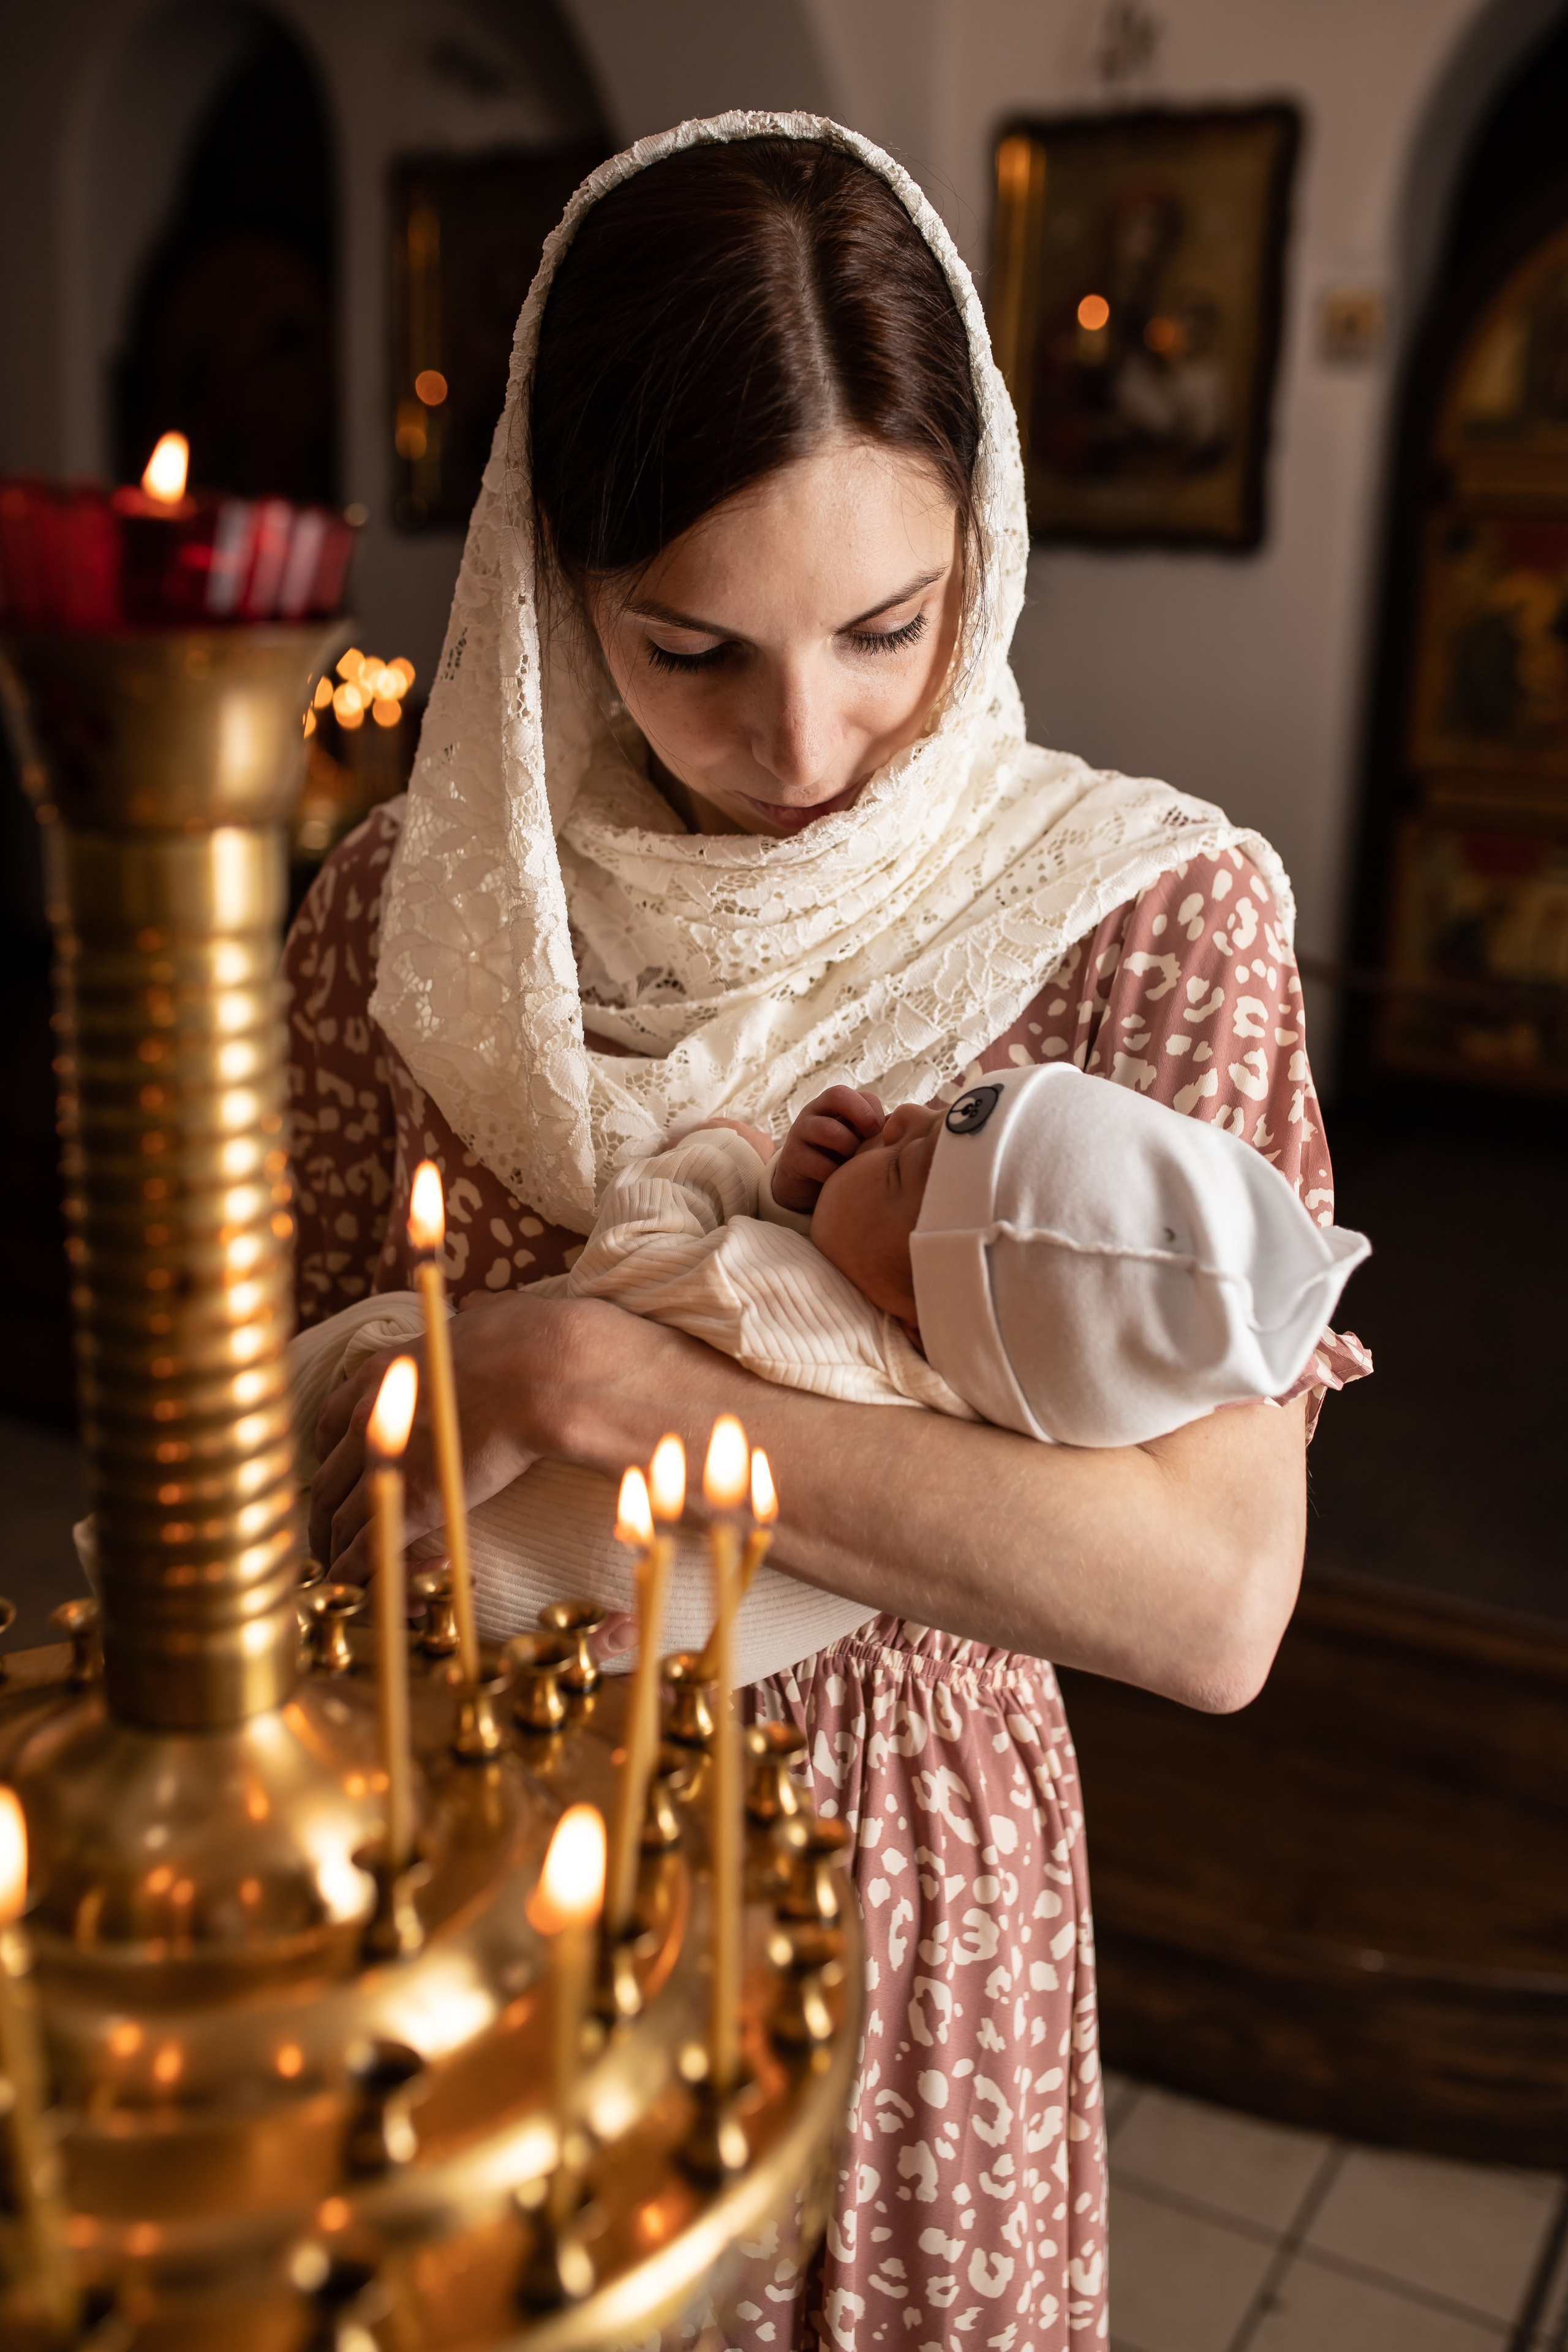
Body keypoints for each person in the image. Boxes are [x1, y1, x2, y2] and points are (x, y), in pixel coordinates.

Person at [286, 116, 1370, 2352]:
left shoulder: (1135, 919)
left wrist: (617, 1385)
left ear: (982, 540)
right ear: (550, 587)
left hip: (888, 1871)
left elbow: (1209, 1596)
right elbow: (262, 1439)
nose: (809, 743)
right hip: (448, 1837)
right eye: (690, 651)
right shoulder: (410, 918)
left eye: (890, 627)